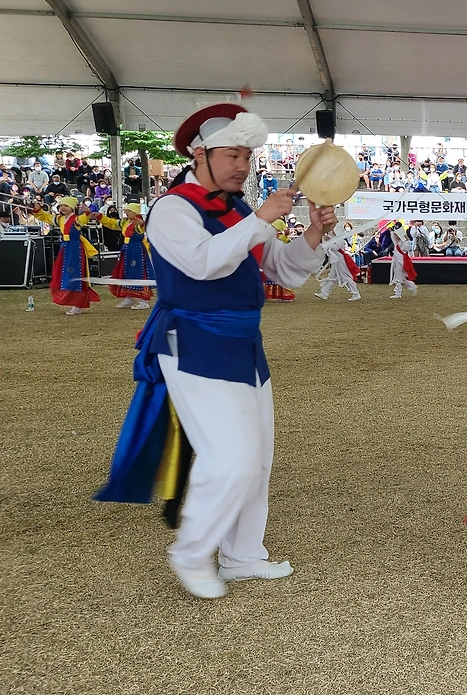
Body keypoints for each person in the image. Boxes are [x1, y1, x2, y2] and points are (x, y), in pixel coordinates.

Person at [95, 103, 335, 600]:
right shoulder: (173, 208)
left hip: (244, 345)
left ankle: (242, 555)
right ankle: (190, 553)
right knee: (231, 459)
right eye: (232, 155)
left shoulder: (239, 209)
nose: (243, 166)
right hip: (194, 343)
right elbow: (203, 265)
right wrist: (261, 218)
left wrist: (312, 232)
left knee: (257, 459)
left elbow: (281, 271)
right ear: (199, 154)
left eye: (247, 156)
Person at [35, 197, 102, 315]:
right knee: (63, 273)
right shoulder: (60, 219)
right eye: (61, 206)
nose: (63, 208)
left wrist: (87, 212)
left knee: (75, 274)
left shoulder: (76, 219)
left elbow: (85, 218)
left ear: (72, 207)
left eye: (66, 206)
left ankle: (77, 304)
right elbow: (46, 217)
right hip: (65, 248)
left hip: (75, 249)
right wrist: (38, 210)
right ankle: (72, 301)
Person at [99, 203, 154, 309]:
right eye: (126, 211)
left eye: (129, 211)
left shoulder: (138, 222)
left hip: (136, 251)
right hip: (127, 250)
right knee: (126, 272)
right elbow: (112, 223)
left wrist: (142, 223)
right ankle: (129, 297)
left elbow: (145, 227)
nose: (126, 213)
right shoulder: (126, 222)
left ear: (135, 212)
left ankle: (143, 300)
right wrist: (100, 217)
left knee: (138, 273)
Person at [315, 236, 361, 302]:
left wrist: (329, 241)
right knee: (332, 277)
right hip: (335, 260)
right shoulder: (334, 237)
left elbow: (336, 247)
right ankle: (324, 293)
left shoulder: (340, 238)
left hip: (340, 260)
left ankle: (356, 294)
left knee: (346, 276)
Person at [388, 222, 419, 299]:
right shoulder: (397, 242)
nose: (396, 236)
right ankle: (412, 286)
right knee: (400, 278)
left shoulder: (404, 241)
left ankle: (398, 293)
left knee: (399, 277)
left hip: (401, 260)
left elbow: (406, 248)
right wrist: (391, 231)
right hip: (397, 259)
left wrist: (406, 239)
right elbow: (393, 237)